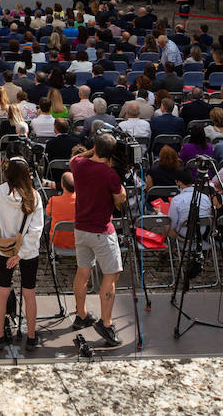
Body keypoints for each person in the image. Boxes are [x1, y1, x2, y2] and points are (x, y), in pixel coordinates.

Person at [68, 133, 128, 348]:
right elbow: (120, 199)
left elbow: (75, 158)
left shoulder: (78, 164)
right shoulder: (110, 175)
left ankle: (81, 314)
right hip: (102, 231)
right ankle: (107, 322)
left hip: (80, 228)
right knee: (111, 276)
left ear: (94, 147)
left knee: (83, 271)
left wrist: (93, 150)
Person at [0, 157, 46, 350]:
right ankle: (32, 336)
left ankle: (0, 335)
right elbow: (36, 230)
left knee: (2, 291)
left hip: (4, 247)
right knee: (29, 292)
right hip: (28, 252)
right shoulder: (34, 196)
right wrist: (22, 254)